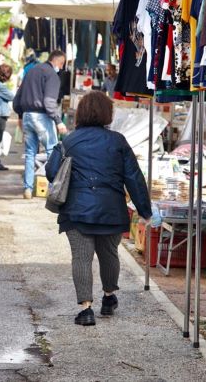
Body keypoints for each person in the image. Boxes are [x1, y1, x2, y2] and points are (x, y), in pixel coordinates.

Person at [45, 92, 152, 326]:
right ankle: (108, 297)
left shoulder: (69, 140)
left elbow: (51, 171)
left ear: (81, 113)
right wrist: (145, 211)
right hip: (111, 210)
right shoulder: (118, 141)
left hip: (76, 210)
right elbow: (134, 177)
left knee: (81, 258)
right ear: (108, 114)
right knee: (109, 254)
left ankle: (86, 309)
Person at [13, 49, 68, 199]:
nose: (62, 68)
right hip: (42, 116)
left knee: (30, 153)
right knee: (52, 151)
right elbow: (49, 102)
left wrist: (19, 115)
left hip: (27, 116)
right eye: (62, 64)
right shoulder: (52, 76)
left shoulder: (31, 71)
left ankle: (28, 189)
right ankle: (52, 189)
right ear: (57, 61)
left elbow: (17, 97)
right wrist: (58, 121)